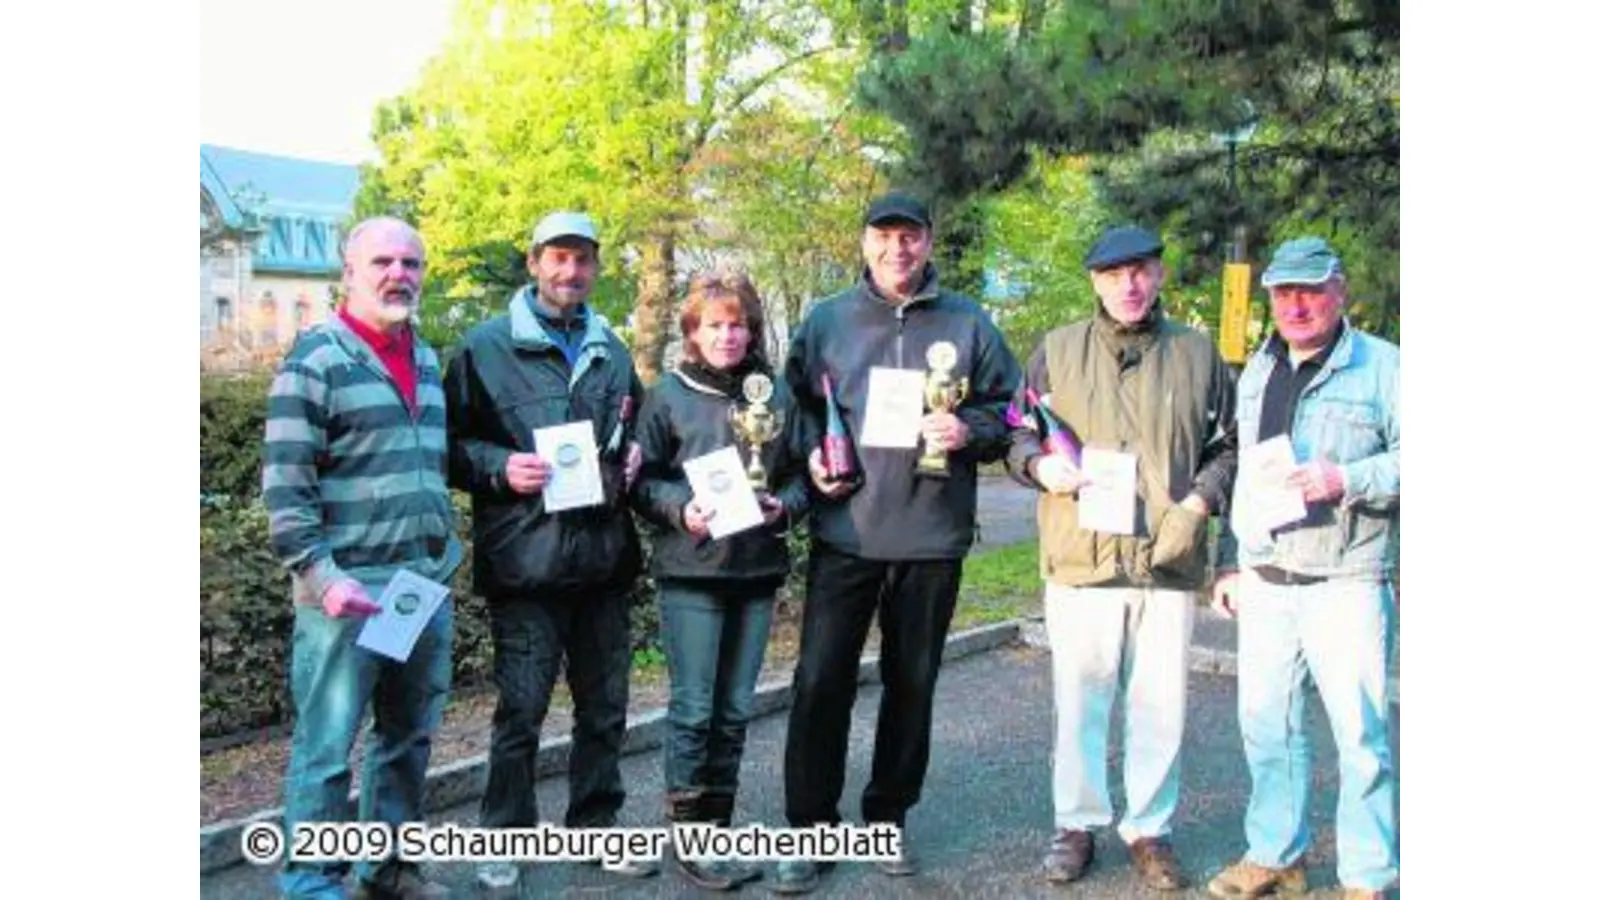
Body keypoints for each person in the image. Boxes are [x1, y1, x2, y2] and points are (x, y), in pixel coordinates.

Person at [771, 191, 1023, 894]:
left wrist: (970, 430)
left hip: (932, 537)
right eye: (883, 237)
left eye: (909, 237)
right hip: (845, 533)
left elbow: (1012, 411)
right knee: (820, 682)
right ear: (864, 243)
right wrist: (809, 464)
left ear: (929, 241)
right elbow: (789, 416)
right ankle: (809, 828)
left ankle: (887, 818)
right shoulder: (826, 321)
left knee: (911, 686)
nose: (896, 250)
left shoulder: (969, 321)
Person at [1005, 224, 1237, 892]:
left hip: (1167, 558)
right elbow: (1016, 430)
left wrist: (1200, 501)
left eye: (1140, 270)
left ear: (1160, 275)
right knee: (1079, 700)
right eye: (1113, 274)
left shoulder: (1199, 355)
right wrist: (1037, 465)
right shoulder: (1055, 351)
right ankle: (1075, 824)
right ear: (1094, 282)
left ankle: (1150, 829)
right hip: (1082, 558)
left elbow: (1228, 446)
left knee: (1161, 702)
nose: (1129, 284)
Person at [442, 211, 653, 892]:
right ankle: (504, 836)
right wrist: (500, 466)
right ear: (533, 262)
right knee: (521, 715)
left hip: (602, 563)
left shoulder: (612, 351)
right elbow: (448, 448)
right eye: (557, 258)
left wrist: (636, 462)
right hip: (526, 567)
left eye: (583, 259)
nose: (570, 272)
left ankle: (595, 827)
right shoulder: (484, 347)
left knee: (604, 711)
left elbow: (632, 435)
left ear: (596, 267)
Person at [264, 216, 461, 900]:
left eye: (411, 263)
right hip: (345, 592)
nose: (397, 274)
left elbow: (428, 467)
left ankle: (390, 868)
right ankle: (312, 884)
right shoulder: (316, 360)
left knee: (407, 740)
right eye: (382, 261)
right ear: (349, 273)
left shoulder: (428, 358)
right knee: (326, 750)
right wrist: (321, 579)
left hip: (418, 585)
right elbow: (286, 491)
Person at [1205, 237, 1399, 900]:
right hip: (1267, 578)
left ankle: (1367, 877)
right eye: (1283, 292)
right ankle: (1277, 855)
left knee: (1361, 738)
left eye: (1310, 289)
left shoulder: (1385, 368)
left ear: (1340, 289)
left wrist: (1345, 477)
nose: (1296, 304)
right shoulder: (1257, 370)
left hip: (1346, 581)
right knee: (1267, 727)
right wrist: (1229, 563)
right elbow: (1244, 476)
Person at [629, 272, 812, 891]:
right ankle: (691, 837)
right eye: (715, 325)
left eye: (738, 324)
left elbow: (803, 476)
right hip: (692, 573)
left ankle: (719, 826)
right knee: (694, 709)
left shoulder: (775, 394)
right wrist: (680, 509)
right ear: (692, 333)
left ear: (752, 330)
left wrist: (783, 506)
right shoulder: (667, 396)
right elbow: (640, 479)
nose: (728, 335)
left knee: (735, 711)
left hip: (757, 570)